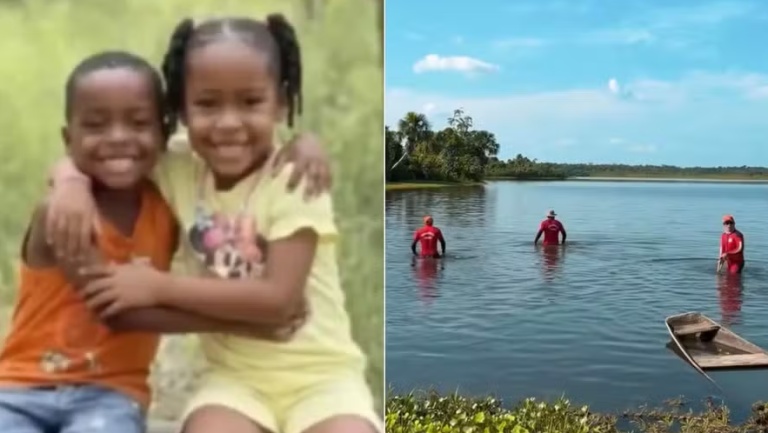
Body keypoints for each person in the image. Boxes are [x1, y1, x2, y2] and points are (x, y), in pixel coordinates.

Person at [45, 15, 380, 433]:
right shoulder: (180, 168)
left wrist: (157, 286)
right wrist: (69, 180)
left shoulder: (295, 179)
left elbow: (278, 300)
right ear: (180, 110)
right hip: (234, 383)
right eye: (207, 104)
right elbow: (108, 151)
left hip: (324, 381)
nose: (227, 123)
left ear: (281, 103)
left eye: (250, 102)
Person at [0, 51, 313, 433]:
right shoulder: (64, 213)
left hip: (109, 394)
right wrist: (250, 324)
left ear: (164, 133)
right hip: (19, 389)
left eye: (138, 123)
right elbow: (116, 311)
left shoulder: (167, 206)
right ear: (70, 139)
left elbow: (241, 154)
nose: (118, 138)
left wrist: (305, 145)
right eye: (96, 125)